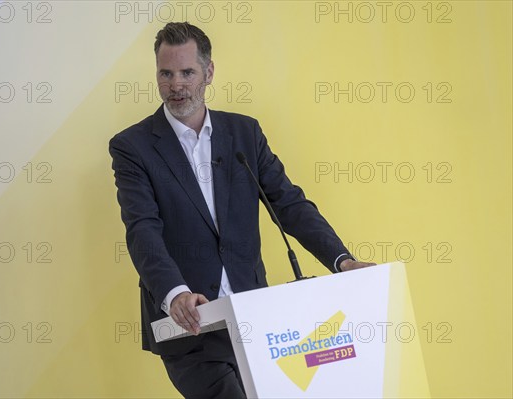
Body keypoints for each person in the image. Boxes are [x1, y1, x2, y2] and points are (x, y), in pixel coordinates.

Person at [109, 22, 375, 398]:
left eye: (187, 72)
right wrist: (175, 293)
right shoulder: (132, 147)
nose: (176, 85)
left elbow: (288, 202)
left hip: (255, 318)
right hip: (190, 325)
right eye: (165, 74)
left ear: (209, 72)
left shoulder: (244, 134)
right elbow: (142, 229)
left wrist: (341, 261)